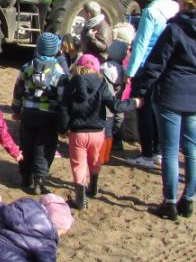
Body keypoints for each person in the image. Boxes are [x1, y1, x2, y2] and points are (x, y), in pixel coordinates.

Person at [132, 0, 196, 222]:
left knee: (171, 151)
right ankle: (189, 199)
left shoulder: (174, 29)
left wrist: (139, 89)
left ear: (183, 1)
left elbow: (155, 64)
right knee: (192, 149)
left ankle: (170, 202)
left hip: (171, 95)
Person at [57, 54, 140, 210]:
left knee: (79, 164)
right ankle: (93, 187)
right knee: (95, 160)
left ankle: (80, 198)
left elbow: (64, 109)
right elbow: (115, 106)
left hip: (77, 132)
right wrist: (134, 102)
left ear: (78, 67)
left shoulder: (71, 84)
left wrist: (62, 129)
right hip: (98, 133)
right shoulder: (101, 84)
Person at [124, 0, 180, 170]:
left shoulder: (150, 12)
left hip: (146, 65)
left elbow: (141, 43)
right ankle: (158, 151)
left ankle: (146, 153)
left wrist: (130, 71)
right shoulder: (175, 8)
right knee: (160, 109)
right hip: (166, 65)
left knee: (145, 110)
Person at [12, 32, 66, 194]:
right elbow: (62, 98)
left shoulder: (26, 67)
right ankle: (39, 180)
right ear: (55, 50)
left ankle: (25, 176)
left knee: (26, 145)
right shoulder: (59, 72)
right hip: (49, 116)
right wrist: (63, 120)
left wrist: (16, 109)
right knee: (45, 148)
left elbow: (18, 90)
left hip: (28, 113)